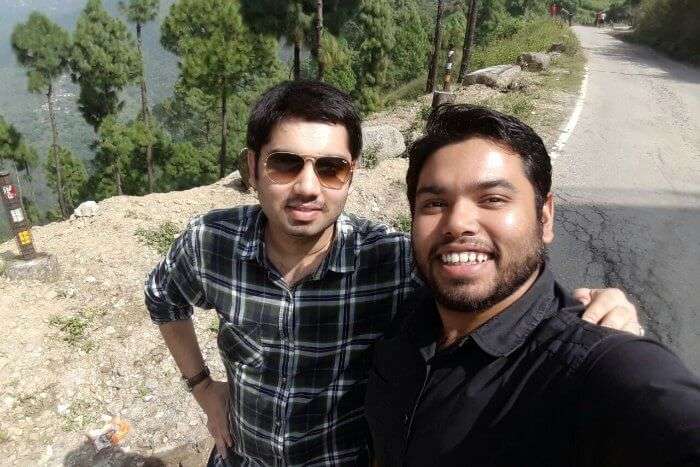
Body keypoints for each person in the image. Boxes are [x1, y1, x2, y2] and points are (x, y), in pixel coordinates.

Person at [144, 81, 642, 466]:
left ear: (352, 174)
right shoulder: (212, 242)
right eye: (285, 164)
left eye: (331, 168)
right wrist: (203, 387)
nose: (307, 187)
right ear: (252, 168)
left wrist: (587, 313)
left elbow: (494, 296)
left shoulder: (392, 261)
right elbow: (164, 298)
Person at [365, 104, 700, 467]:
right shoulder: (406, 318)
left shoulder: (592, 366)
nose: (457, 222)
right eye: (434, 203)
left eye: (492, 199)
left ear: (545, 217)